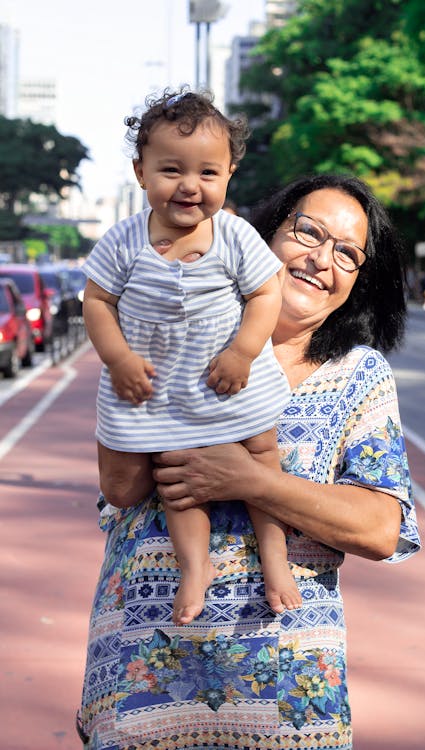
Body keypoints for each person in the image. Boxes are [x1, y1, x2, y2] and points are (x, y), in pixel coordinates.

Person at [78, 173, 421, 750]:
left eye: (347, 254)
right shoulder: (176, 333)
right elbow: (122, 487)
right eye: (307, 232)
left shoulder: (359, 376)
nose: (321, 260)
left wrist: (250, 480)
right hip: (141, 670)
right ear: (258, 236)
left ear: (359, 282)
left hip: (285, 693)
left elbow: (380, 529)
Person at [81, 87, 297, 628]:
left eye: (208, 174)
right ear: (141, 172)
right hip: (161, 391)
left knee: (263, 454)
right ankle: (194, 568)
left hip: (228, 380)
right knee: (177, 477)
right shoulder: (123, 242)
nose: (189, 186)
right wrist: (119, 359)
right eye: (171, 170)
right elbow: (97, 303)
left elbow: (267, 293)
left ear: (228, 176)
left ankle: (275, 560)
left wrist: (245, 351)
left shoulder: (234, 236)